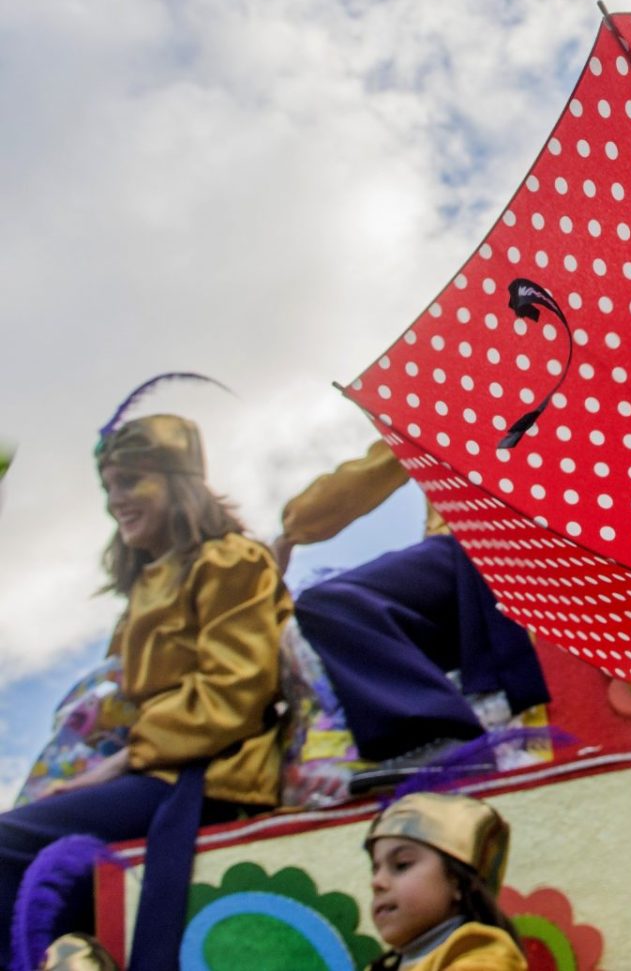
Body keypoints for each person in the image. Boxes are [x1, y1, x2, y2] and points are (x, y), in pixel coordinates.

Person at [0, 407, 291, 949]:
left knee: (6, 842)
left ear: (179, 482)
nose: (116, 500)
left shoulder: (230, 561)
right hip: (148, 773)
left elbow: (234, 694)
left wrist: (116, 764)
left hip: (210, 776)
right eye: (109, 486)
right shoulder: (143, 589)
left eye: (132, 481)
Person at [277, 440, 551, 787]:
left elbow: (364, 476)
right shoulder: (438, 415)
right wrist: (295, 528)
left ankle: (437, 740)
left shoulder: (459, 409)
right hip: (470, 575)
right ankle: (425, 734)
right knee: (335, 625)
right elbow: (370, 472)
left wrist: (290, 532)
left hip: (485, 552)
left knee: (332, 603)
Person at [363, 791, 527, 971]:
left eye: (402, 864)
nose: (377, 882)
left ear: (458, 881)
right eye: (375, 870)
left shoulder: (485, 960)